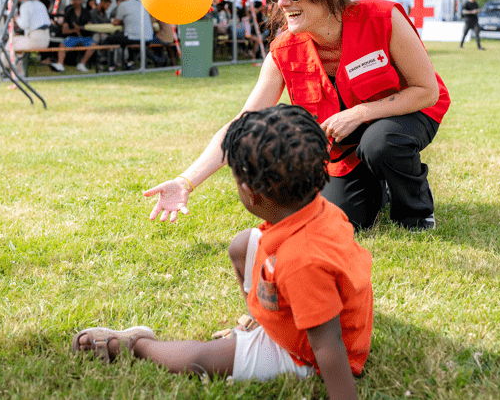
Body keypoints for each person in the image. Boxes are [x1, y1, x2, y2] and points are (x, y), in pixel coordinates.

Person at [145, 0, 450, 231]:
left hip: (410, 111)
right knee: (346, 219)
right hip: (343, 138)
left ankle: (415, 212)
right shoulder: (283, 50)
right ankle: (377, 183)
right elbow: (242, 124)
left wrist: (360, 113)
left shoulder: (383, 17)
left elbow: (426, 91)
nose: (281, 1)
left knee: (380, 143)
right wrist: (186, 181)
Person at [73, 105, 373, 399]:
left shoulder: (303, 263)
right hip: (299, 316)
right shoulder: (319, 208)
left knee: (202, 358)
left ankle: (136, 345)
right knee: (242, 245)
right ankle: (263, 323)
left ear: (252, 193)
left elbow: (327, 344)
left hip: (306, 356)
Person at [107, 0, 165, 69]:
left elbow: (117, 22)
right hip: (148, 37)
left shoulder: (123, 5)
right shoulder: (141, 4)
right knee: (127, 37)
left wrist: (113, 20)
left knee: (110, 39)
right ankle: (131, 63)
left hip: (135, 37)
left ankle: (111, 66)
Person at [13, 0, 52, 73]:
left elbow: (24, 25)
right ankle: (17, 73)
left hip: (34, 40)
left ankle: (0, 66)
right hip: (45, 40)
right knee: (15, 44)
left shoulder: (25, 6)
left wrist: (16, 18)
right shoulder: (40, 4)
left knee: (11, 42)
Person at [58, 0, 96, 73]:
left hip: (85, 37)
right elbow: (64, 30)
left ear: (81, 0)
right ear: (72, 0)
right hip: (73, 36)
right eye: (74, 0)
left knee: (93, 45)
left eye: (78, 0)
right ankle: (60, 64)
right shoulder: (69, 12)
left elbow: (89, 27)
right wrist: (75, 30)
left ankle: (82, 64)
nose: (76, 2)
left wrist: (80, 28)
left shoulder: (86, 12)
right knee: (62, 45)